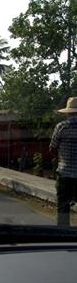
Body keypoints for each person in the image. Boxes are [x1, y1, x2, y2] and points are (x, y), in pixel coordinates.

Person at [49, 97, 77, 226]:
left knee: (63, 206)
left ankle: (63, 233)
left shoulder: (61, 126)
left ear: (67, 112)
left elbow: (52, 148)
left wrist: (60, 158)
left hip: (64, 173)